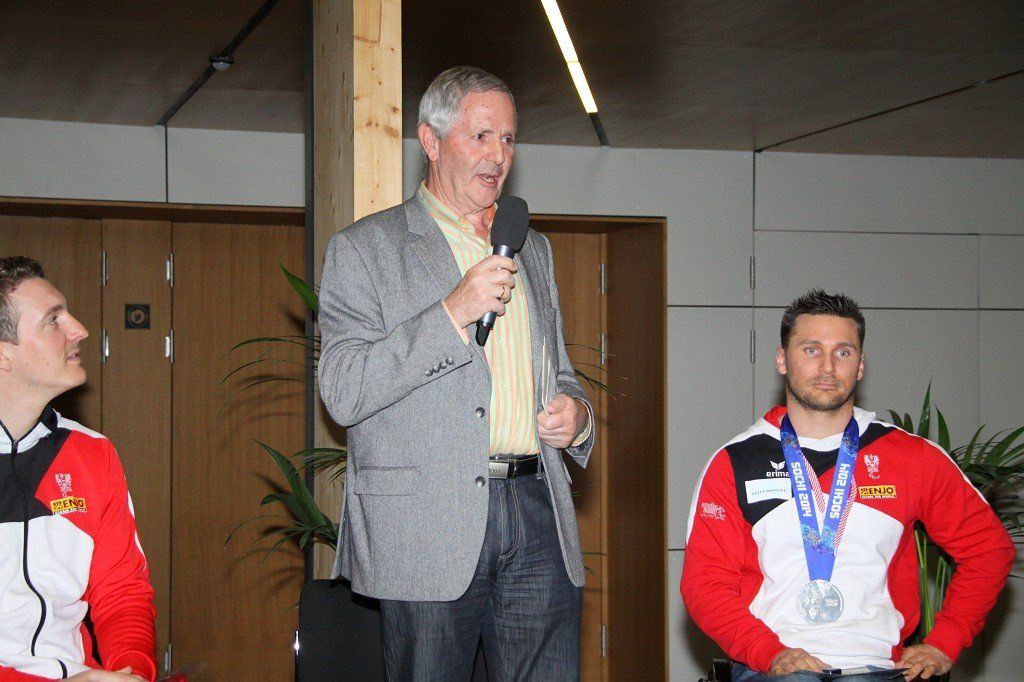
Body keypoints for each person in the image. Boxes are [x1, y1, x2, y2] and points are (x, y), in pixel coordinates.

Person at [317, 65, 594, 680]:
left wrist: (576, 414)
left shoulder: (531, 247)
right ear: (432, 140)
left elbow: (560, 371)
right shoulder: (366, 249)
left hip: (536, 506)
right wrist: (452, 312)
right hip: (427, 525)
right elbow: (343, 388)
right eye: (481, 136)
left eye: (509, 139)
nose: (498, 156)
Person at [681, 290, 1014, 681]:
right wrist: (768, 653)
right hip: (771, 666)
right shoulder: (735, 461)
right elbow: (706, 584)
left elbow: (988, 550)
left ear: (860, 366)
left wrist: (946, 640)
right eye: (811, 350)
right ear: (782, 360)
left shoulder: (912, 457)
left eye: (842, 352)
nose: (827, 367)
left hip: (879, 668)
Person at [0, 257, 156, 682]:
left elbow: (122, 591)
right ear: (4, 353)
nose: (80, 329)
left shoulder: (92, 452)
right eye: (54, 320)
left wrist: (132, 671)